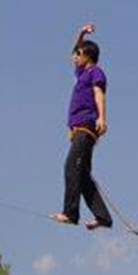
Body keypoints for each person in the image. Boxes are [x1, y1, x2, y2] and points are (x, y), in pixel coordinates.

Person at [50, 24, 113, 230]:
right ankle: (103, 218)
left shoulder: (96, 73)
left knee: (71, 167)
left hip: (87, 126)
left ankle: (70, 213)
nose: (74, 56)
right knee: (83, 175)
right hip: (78, 129)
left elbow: (99, 94)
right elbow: (75, 50)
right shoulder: (82, 73)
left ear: (89, 56)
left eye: (79, 54)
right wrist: (81, 34)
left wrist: (102, 118)